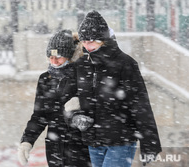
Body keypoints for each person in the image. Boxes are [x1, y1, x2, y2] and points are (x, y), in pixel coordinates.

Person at [66, 10, 162, 167]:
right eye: (83, 41)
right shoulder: (82, 65)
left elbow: (140, 104)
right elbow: (70, 98)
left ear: (103, 40)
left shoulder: (125, 63)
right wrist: (74, 116)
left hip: (121, 139)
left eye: (91, 41)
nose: (86, 45)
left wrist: (149, 142)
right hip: (93, 140)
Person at [18, 30, 91, 167]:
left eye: (58, 56)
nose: (54, 61)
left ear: (69, 55)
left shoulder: (83, 75)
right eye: (50, 56)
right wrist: (27, 141)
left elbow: (101, 103)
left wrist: (81, 103)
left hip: (80, 147)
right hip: (54, 147)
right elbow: (39, 115)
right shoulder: (45, 79)